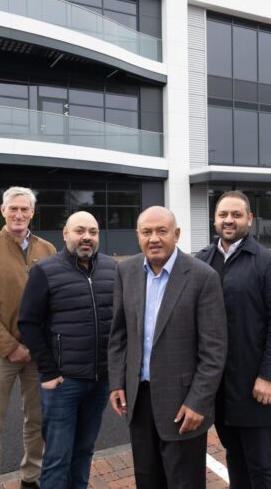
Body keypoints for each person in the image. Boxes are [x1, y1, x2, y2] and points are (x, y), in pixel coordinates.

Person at [107, 206, 227, 489]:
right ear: (138, 236)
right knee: (147, 479)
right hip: (139, 399)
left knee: (184, 482)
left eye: (162, 231)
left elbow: (214, 350)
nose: (154, 238)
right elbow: (118, 335)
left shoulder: (202, 277)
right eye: (147, 232)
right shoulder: (126, 271)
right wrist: (117, 381)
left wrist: (198, 401)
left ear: (177, 234)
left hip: (183, 403)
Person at [195, 191, 271, 489]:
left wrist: (269, 375)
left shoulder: (267, 262)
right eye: (223, 214)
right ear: (214, 219)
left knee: (261, 467)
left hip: (255, 386)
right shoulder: (201, 261)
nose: (229, 220)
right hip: (218, 386)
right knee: (234, 458)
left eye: (236, 215)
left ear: (249, 219)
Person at [0, 186, 57, 489]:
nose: (19, 214)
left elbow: (55, 300)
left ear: (32, 212)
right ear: (3, 211)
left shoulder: (47, 250)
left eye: (25, 209)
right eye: (13, 208)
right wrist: (10, 346)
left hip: (37, 354)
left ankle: (31, 476)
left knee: (37, 420)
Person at [17, 211, 115, 488]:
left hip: (99, 381)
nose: (87, 237)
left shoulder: (112, 269)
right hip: (63, 383)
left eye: (93, 232)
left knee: (84, 452)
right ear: (65, 235)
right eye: (80, 231)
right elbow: (28, 323)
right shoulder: (45, 271)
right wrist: (48, 371)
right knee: (58, 457)